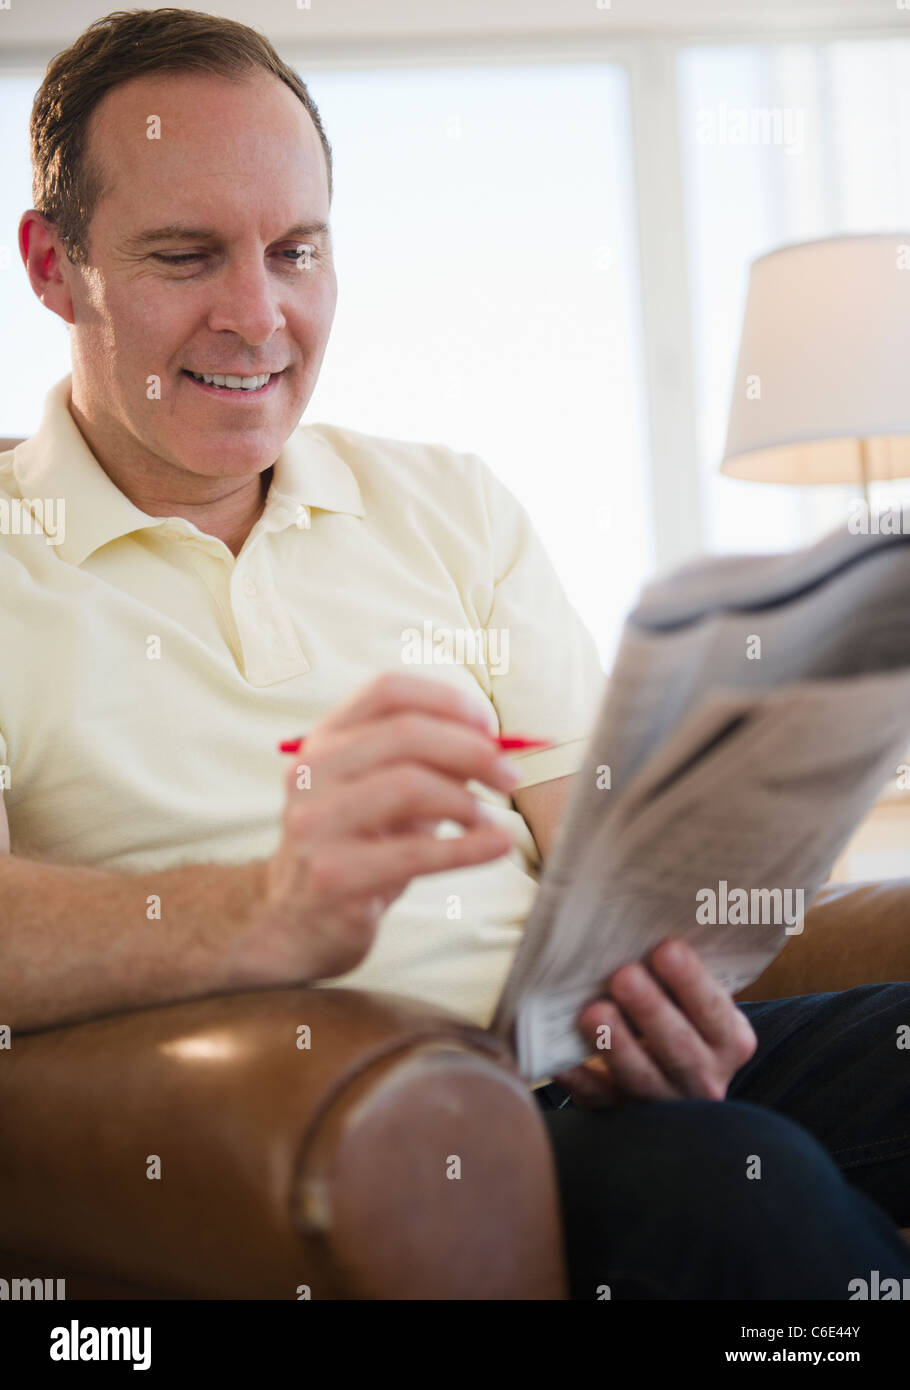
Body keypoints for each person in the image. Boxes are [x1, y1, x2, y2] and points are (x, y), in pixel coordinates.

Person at [2, 8, 908, 1300]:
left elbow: (594, 851)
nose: (256, 315)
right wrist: (265, 906)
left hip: (588, 1068)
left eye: (296, 250)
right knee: (731, 1184)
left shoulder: (448, 505)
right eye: (185, 254)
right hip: (356, 1124)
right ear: (55, 266)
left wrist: (652, 979)